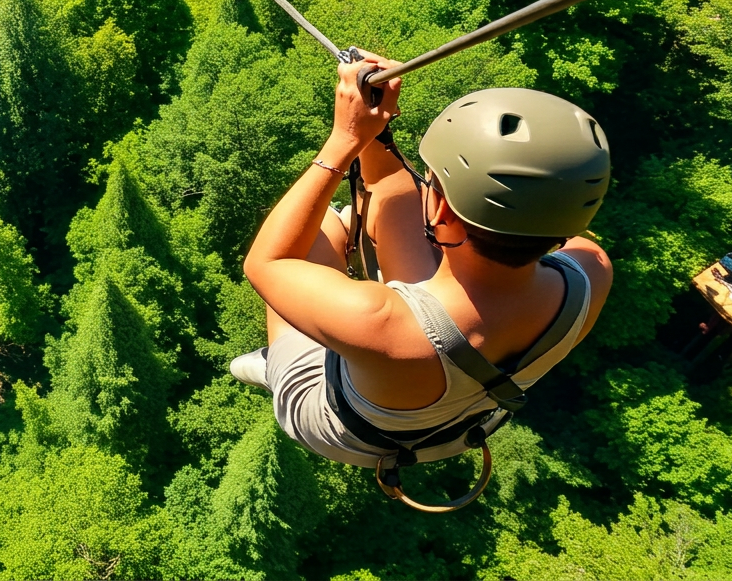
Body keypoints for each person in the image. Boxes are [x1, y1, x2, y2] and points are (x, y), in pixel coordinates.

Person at [235, 50, 614, 474]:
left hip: (337, 425)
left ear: (441, 210)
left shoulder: (378, 320)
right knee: (390, 206)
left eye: (429, 181)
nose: (423, 185)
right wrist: (375, 130)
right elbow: (391, 185)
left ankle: (278, 363)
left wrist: (344, 139)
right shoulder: (591, 270)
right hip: (451, 425)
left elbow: (270, 261)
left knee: (320, 227)